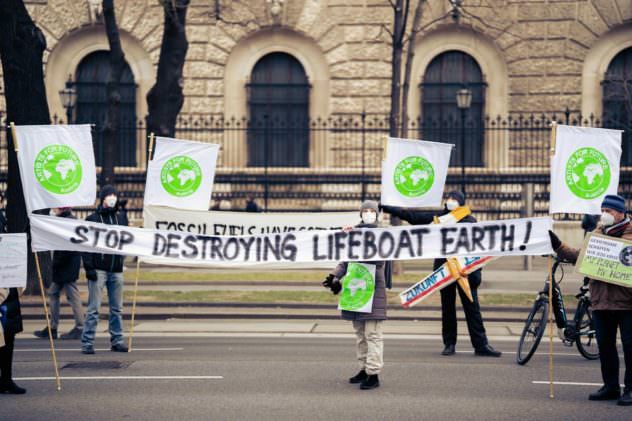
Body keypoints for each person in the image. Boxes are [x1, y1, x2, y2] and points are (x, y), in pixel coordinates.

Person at [382, 191, 501, 357]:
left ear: (461, 203)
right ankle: (449, 344)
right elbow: (413, 217)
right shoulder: (438, 218)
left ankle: (481, 345)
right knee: (447, 307)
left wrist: (475, 275)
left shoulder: (470, 221)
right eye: (449, 198)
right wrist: (388, 208)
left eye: (455, 199)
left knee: (472, 309)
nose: (450, 201)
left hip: (464, 272)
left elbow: (478, 250)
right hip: (444, 270)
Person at [549, 194, 632, 406]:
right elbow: (580, 255)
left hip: (627, 302)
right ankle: (610, 386)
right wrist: (558, 245)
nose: (605, 214)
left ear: (621, 213)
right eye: (603, 210)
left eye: (610, 211)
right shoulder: (597, 232)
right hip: (602, 301)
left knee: (630, 348)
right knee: (605, 346)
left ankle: (630, 389)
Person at [322, 200, 391, 390]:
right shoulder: (353, 233)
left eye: (372, 211)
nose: (368, 213)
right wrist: (334, 276)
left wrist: (358, 237)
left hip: (373, 289)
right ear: (360, 214)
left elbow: (377, 260)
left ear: (377, 214)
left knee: (373, 334)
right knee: (360, 334)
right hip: (357, 289)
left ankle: (373, 373)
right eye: (365, 211)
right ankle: (363, 369)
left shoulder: (383, 235)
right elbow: (346, 261)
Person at [81, 185, 129, 354]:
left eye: (114, 195)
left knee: (117, 309)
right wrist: (89, 267)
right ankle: (87, 342)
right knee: (93, 308)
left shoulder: (120, 218)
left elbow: (127, 240)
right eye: (109, 195)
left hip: (116, 269)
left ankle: (117, 340)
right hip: (98, 269)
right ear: (102, 198)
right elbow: (85, 245)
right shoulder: (92, 219)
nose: (112, 198)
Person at [33, 207, 84, 340]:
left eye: (56, 207)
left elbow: (67, 247)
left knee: (72, 296)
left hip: (66, 266)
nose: (54, 209)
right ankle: (53, 327)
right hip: (65, 266)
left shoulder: (67, 222)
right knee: (54, 293)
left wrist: (57, 263)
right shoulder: (67, 221)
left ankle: (79, 327)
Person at [0, 287, 26, 394]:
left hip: (10, 303)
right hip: (6, 299)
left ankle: (6, 380)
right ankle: (6, 381)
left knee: (8, 343)